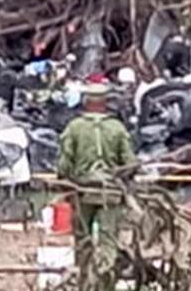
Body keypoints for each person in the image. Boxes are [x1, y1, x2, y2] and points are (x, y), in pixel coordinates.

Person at [57, 80, 136, 250]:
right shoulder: (117, 128)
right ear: (105, 103)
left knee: (82, 237)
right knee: (108, 238)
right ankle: (106, 271)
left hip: (82, 191)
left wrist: (65, 182)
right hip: (111, 191)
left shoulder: (74, 127)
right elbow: (130, 163)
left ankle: (84, 272)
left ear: (86, 102)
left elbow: (64, 164)